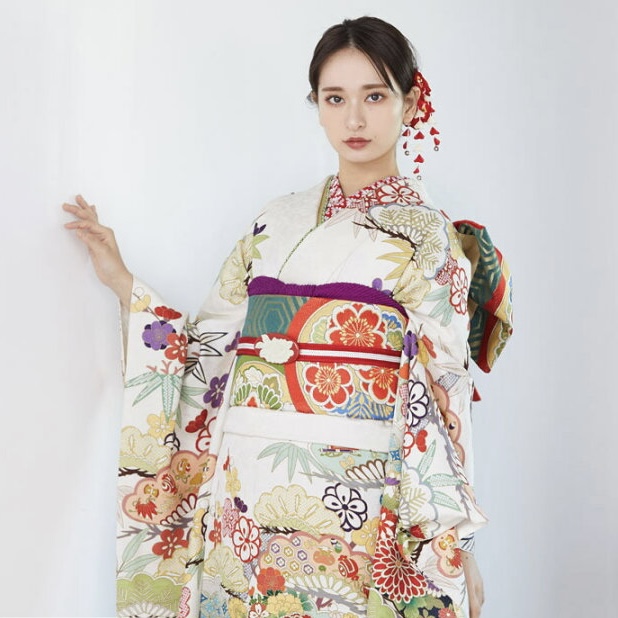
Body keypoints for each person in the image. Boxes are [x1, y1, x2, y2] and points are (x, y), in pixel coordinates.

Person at [63, 16, 512, 618]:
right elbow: (211, 356)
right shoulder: (274, 222)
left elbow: (444, 393)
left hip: (356, 501)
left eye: (374, 96)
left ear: (409, 104)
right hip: (248, 496)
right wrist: (124, 283)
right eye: (335, 98)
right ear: (317, 106)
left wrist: (459, 543)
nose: (354, 119)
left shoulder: (430, 239)